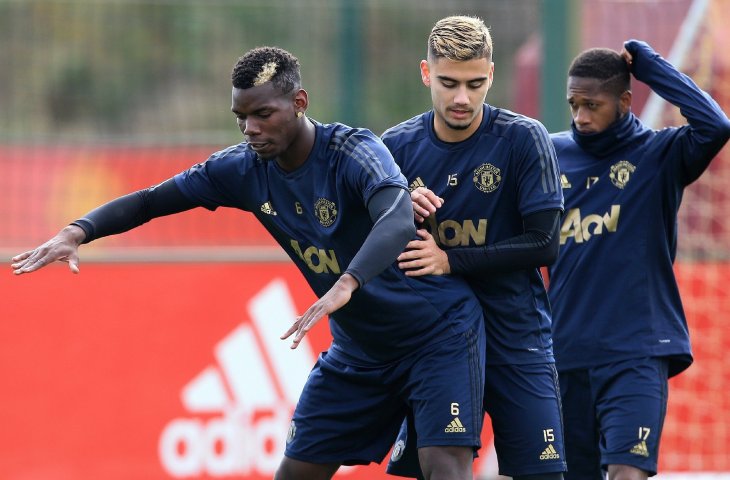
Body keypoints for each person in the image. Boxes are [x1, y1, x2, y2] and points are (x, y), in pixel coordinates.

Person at [11, 46, 487, 480]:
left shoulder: (354, 151)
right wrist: (78, 231)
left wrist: (347, 283)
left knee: (442, 468)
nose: (251, 129)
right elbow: (150, 202)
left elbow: (398, 218)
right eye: (241, 117)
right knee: (295, 473)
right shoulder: (242, 169)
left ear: (299, 102)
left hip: (435, 335)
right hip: (360, 350)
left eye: (263, 114)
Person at [381, 16, 566, 480]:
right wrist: (399, 209)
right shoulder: (394, 147)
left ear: (491, 76)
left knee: (542, 475)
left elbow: (545, 243)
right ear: (426, 73)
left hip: (515, 337)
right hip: (436, 342)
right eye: (448, 83)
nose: (462, 97)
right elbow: (370, 245)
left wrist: (450, 260)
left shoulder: (524, 139)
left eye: (475, 83)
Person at [548, 40, 730, 480]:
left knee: (627, 473)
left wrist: (653, 68)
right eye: (574, 105)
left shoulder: (659, 156)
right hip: (564, 355)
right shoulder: (548, 153)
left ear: (626, 101)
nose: (581, 117)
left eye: (592, 105)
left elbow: (716, 125)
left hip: (636, 354)